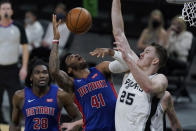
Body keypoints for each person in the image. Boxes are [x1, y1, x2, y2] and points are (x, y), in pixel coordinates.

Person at [90, 0, 168, 130]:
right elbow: (118, 32)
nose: (141, 54)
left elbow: (148, 87)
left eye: (147, 52)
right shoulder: (134, 65)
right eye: (143, 51)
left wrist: (130, 60)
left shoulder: (160, 78)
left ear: (155, 61)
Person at [49, 14, 117, 131]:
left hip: (117, 126)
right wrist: (56, 40)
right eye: (71, 57)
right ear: (69, 70)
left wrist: (113, 52)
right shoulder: (72, 84)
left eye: (76, 54)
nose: (76, 55)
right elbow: (54, 71)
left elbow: (123, 66)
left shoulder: (101, 68)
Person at [9, 59, 81, 131]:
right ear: (31, 77)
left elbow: (78, 117)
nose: (42, 76)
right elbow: (15, 123)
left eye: (45, 72)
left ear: (49, 76)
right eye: (37, 73)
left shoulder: (60, 95)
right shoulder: (20, 96)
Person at [0, 1, 29, 123]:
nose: (6, 11)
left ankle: (15, 126)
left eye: (8, 8)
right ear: (0, 11)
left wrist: (24, 67)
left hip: (12, 69)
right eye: (3, 8)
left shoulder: (18, 27)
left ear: (11, 11)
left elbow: (25, 47)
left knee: (15, 101)